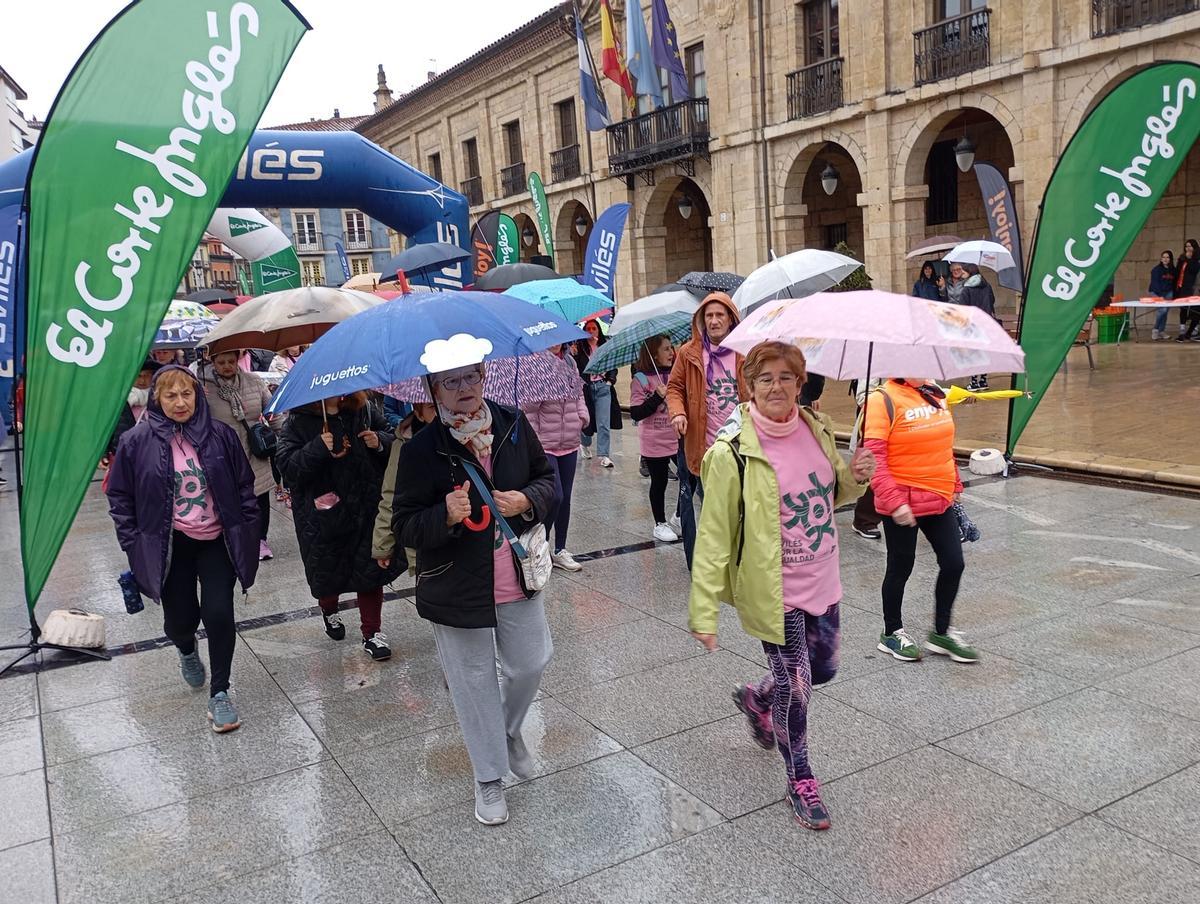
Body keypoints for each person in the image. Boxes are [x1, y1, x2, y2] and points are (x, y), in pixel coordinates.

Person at [690, 341, 874, 830]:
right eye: (765, 378)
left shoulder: (815, 427)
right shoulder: (731, 452)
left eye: (786, 377)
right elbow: (713, 536)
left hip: (823, 576)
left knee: (823, 672)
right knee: (798, 688)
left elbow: (833, 491)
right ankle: (801, 780)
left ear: (800, 381)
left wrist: (855, 478)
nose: (776, 387)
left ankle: (756, 697)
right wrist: (703, 610)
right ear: (749, 385)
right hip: (775, 590)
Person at [392, 362, 556, 827]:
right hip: (455, 585)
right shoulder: (421, 449)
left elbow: (548, 481)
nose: (463, 388)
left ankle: (505, 731)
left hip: (515, 575)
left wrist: (527, 500)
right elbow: (403, 522)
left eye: (470, 377)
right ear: (433, 389)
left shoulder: (512, 424)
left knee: (531, 661)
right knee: (472, 682)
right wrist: (442, 514)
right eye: (451, 381)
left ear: (484, 378)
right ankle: (487, 777)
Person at [105, 366, 260, 732]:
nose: (180, 402)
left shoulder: (221, 435)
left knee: (219, 613)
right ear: (157, 398)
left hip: (216, 541)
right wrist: (133, 543)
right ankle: (187, 649)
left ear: (197, 396)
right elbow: (120, 498)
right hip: (170, 545)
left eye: (186, 394)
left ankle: (220, 693)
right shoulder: (135, 442)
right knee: (180, 620)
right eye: (170, 395)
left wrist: (248, 530)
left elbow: (244, 487)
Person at [276, 391, 404, 659]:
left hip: (365, 505)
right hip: (325, 512)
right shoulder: (297, 422)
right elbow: (288, 468)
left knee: (369, 571)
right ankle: (329, 610)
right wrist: (317, 448)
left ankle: (372, 632)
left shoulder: (363, 410)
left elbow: (394, 440)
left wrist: (379, 441)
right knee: (329, 572)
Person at [864, 378, 977, 664]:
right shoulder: (882, 399)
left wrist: (956, 487)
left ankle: (941, 633)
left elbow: (943, 447)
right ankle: (891, 633)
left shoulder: (935, 394)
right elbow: (874, 458)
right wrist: (894, 501)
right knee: (901, 567)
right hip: (901, 500)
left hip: (938, 496)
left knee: (954, 563)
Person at [666, 291, 750, 569]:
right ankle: (714, 560)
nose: (714, 321)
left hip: (741, 444)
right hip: (704, 447)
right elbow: (675, 387)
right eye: (709, 316)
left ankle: (738, 556)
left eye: (719, 315)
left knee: (741, 503)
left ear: (730, 319)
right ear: (702, 320)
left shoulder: (745, 350)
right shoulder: (688, 353)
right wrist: (678, 412)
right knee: (710, 504)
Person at [196, 350, 276, 560]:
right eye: (221, 362)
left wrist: (282, 434)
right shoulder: (201, 384)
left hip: (253, 448)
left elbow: (272, 411)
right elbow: (196, 421)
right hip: (222, 452)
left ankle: (260, 539)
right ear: (212, 361)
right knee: (229, 497)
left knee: (260, 496)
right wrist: (199, 400)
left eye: (231, 361)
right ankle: (234, 537)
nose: (227, 366)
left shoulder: (253, 380)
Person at [523, 346, 589, 572]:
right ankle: (542, 541)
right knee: (555, 496)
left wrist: (582, 416)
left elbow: (579, 393)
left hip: (569, 440)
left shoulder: (570, 363)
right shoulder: (535, 364)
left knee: (567, 497)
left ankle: (560, 549)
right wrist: (534, 440)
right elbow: (529, 408)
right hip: (546, 443)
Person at [372, 402, 437, 575]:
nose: (441, 412)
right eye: (432, 407)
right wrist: (383, 545)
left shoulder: (467, 437)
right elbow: (391, 495)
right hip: (423, 544)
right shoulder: (404, 444)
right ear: (418, 413)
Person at [630, 336, 682, 542]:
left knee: (690, 479)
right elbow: (636, 413)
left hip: (677, 436)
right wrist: (657, 397)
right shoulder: (641, 379)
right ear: (653, 354)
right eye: (666, 349)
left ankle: (678, 517)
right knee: (659, 482)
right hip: (654, 440)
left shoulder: (675, 373)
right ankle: (660, 524)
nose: (671, 353)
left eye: (672, 348)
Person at [574, 319, 621, 468]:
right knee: (586, 421)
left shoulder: (605, 347)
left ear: (599, 330)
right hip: (586, 388)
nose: (591, 331)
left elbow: (613, 365)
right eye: (588, 328)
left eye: (594, 328)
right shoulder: (579, 347)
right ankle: (585, 443)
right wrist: (572, 352)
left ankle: (604, 455)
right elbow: (575, 368)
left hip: (602, 387)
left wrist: (610, 382)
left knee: (603, 423)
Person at [104, 359, 160, 465]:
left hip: (153, 456)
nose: (142, 381)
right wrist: (104, 453)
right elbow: (106, 429)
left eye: (147, 376)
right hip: (123, 456)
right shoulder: (118, 401)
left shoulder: (161, 400)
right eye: (138, 376)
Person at [959, 263, 996, 389]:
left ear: (970, 273)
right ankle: (983, 381)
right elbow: (992, 301)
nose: (962, 274)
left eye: (964, 272)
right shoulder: (987, 286)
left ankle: (974, 382)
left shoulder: (967, 289)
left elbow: (963, 308)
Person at [1175, 238, 1199, 341]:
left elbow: (1194, 270)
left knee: (1195, 310)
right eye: (1186, 246)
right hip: (1182, 287)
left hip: (1193, 288)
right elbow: (1178, 271)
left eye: (1190, 246)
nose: (1188, 248)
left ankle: (1192, 331)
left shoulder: (1196, 258)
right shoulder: (1182, 258)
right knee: (1183, 309)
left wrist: (1189, 259)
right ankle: (1182, 330)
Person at [1148, 251, 1176, 341]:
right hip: (1156, 292)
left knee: (1165, 312)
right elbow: (1155, 284)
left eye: (1167, 257)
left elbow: (1174, 282)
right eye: (1163, 257)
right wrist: (1160, 296)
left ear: (1170, 259)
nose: (1165, 259)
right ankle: (1155, 329)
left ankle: (1162, 331)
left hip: (1168, 292)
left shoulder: (1173, 270)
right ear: (1161, 259)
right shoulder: (1156, 270)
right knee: (1162, 310)